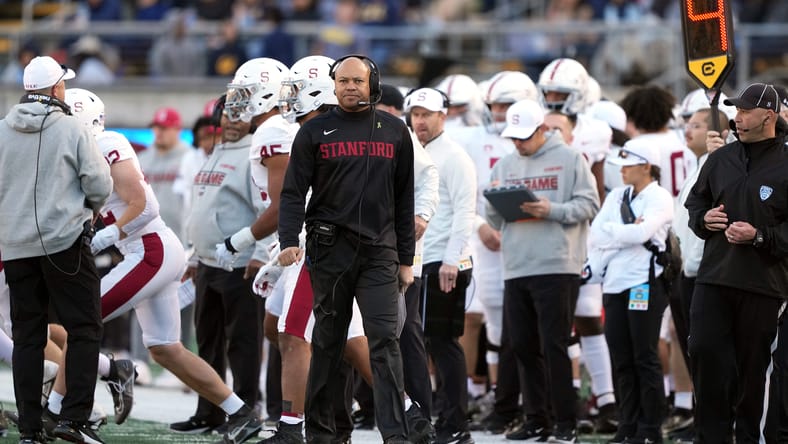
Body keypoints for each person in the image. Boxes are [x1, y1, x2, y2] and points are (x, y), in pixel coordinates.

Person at [277, 55, 415, 443]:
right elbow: (291, 194)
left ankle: (396, 436)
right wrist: (288, 241)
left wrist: (406, 260)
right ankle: (323, 433)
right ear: (333, 84)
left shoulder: (394, 131)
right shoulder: (313, 131)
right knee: (327, 341)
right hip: (329, 249)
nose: (351, 86)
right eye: (343, 80)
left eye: (358, 80)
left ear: (373, 84)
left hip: (380, 253)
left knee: (384, 342)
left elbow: (405, 200)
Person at [0, 56, 113, 444]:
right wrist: (88, 211)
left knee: (27, 336)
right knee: (85, 327)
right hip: (63, 242)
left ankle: (31, 429)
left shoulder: (1, 130)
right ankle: (73, 420)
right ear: (57, 88)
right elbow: (99, 183)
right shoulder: (72, 127)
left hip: (15, 247)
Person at [486, 99, 599, 444]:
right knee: (522, 345)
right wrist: (500, 207)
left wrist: (551, 209)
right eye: (513, 137)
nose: (518, 144)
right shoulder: (504, 164)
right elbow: (491, 216)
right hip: (516, 265)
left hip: (557, 263)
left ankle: (565, 420)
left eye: (524, 136)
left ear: (542, 130)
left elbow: (590, 204)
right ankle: (536, 419)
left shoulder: (569, 159)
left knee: (555, 345)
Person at [685, 82, 788, 444]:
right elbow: (695, 204)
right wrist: (704, 219)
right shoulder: (720, 159)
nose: (737, 118)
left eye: (744, 111)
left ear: (769, 117)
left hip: (763, 283)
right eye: (736, 110)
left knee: (752, 371)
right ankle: (710, 437)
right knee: (703, 352)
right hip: (713, 276)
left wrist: (759, 235)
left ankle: (749, 438)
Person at [173, 92, 268, 437]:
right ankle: (208, 410)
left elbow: (268, 209)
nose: (230, 121)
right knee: (207, 341)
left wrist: (261, 254)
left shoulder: (257, 153)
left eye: (240, 115)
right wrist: (196, 255)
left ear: (255, 117)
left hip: (240, 262)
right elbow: (201, 207)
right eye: (227, 114)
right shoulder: (216, 151)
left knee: (242, 342)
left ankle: (244, 410)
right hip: (209, 262)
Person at [589, 138, 674, 444]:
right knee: (621, 357)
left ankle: (650, 428)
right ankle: (628, 425)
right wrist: (621, 233)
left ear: (646, 167)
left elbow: (642, 233)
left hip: (645, 283)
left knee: (644, 356)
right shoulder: (616, 196)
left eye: (628, 165)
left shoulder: (660, 197)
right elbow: (596, 233)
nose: (622, 171)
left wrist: (617, 232)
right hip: (614, 283)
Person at [404, 87, 476, 444]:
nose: (419, 120)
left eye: (426, 115)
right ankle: (435, 418)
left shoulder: (454, 156)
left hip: (446, 261)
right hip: (421, 261)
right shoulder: (417, 152)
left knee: (444, 343)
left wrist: (452, 259)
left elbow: (465, 210)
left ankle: (456, 423)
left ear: (442, 116)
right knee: (426, 342)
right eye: (415, 114)